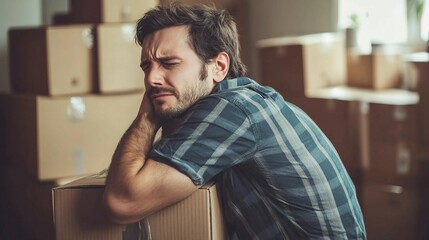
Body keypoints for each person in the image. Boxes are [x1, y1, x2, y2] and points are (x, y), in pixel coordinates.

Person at [103, 2, 367, 239]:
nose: (151, 79)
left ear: (218, 66)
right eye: (147, 67)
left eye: (169, 63)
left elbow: (123, 202)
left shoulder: (233, 111)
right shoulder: (243, 103)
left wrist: (147, 117)